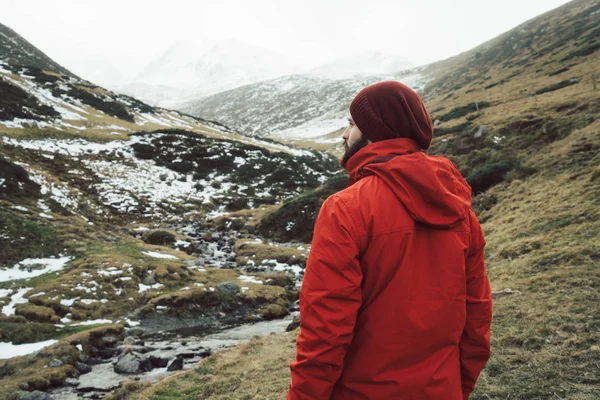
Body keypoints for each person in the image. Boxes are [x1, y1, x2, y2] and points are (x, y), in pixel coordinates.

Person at [287, 81, 492, 400]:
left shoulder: (345, 208)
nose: (344, 135)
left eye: (352, 124)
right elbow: (476, 315)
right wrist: (457, 386)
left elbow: (325, 332)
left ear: (375, 130)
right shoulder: (458, 205)